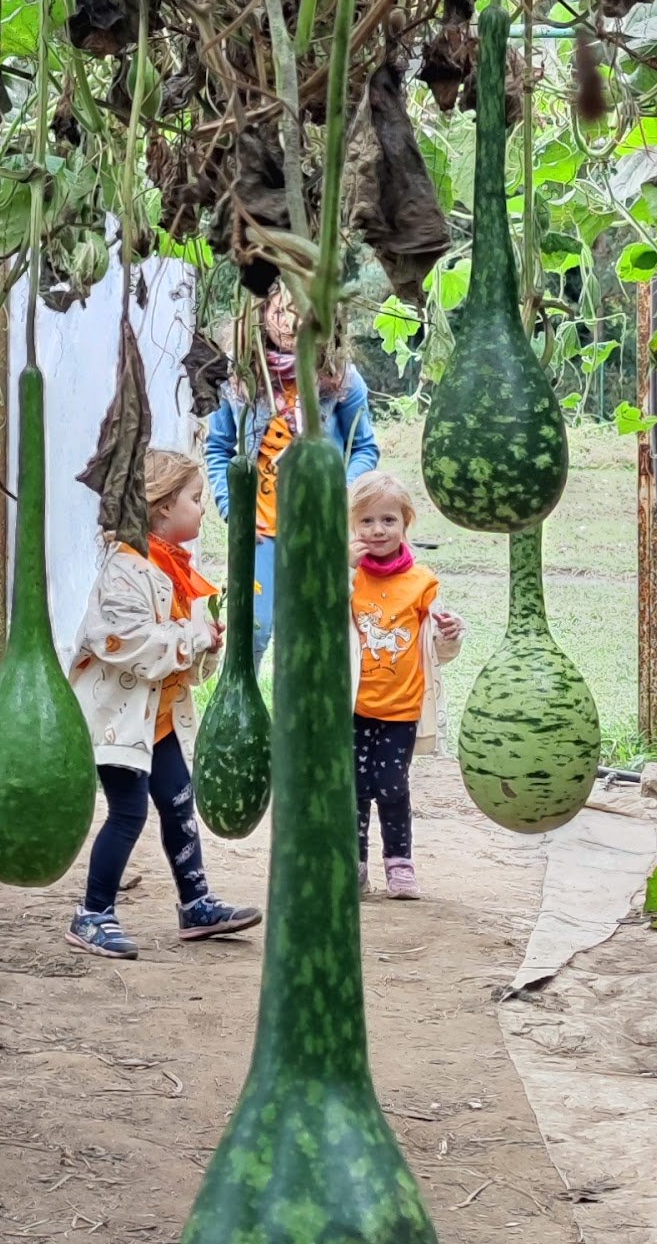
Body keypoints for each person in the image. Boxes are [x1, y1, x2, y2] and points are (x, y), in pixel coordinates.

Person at [66, 445, 261, 959]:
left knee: (178, 805)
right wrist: (190, 639)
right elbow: (128, 644)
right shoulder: (125, 569)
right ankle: (92, 914)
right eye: (195, 499)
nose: (203, 508)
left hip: (158, 719)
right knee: (128, 813)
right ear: (161, 508)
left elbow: (179, 658)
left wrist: (205, 645)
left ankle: (195, 905)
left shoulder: (172, 570)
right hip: (117, 723)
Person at [205, 286, 379, 657]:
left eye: (299, 313)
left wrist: (341, 495)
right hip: (259, 532)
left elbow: (364, 446)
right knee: (252, 631)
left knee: (311, 635)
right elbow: (219, 448)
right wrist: (232, 509)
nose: (288, 323)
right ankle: (243, 712)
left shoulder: (342, 379)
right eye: (278, 311)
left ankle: (305, 715)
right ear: (259, 313)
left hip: (317, 530)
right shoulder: (237, 378)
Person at [349, 469, 461, 899]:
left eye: (388, 520)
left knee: (393, 786)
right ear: (352, 526)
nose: (378, 530)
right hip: (355, 707)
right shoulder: (349, 576)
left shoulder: (422, 582)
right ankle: (353, 865)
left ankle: (400, 865)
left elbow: (439, 648)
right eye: (367, 521)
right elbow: (322, 615)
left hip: (401, 708)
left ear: (406, 523)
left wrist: (449, 634)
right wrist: (342, 568)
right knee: (354, 789)